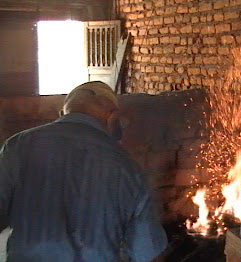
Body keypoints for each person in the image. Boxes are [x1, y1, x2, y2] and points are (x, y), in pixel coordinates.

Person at [0, 81, 168, 262]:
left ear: (63, 112)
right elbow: (148, 251)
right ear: (111, 116)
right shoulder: (126, 167)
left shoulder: (18, 146)